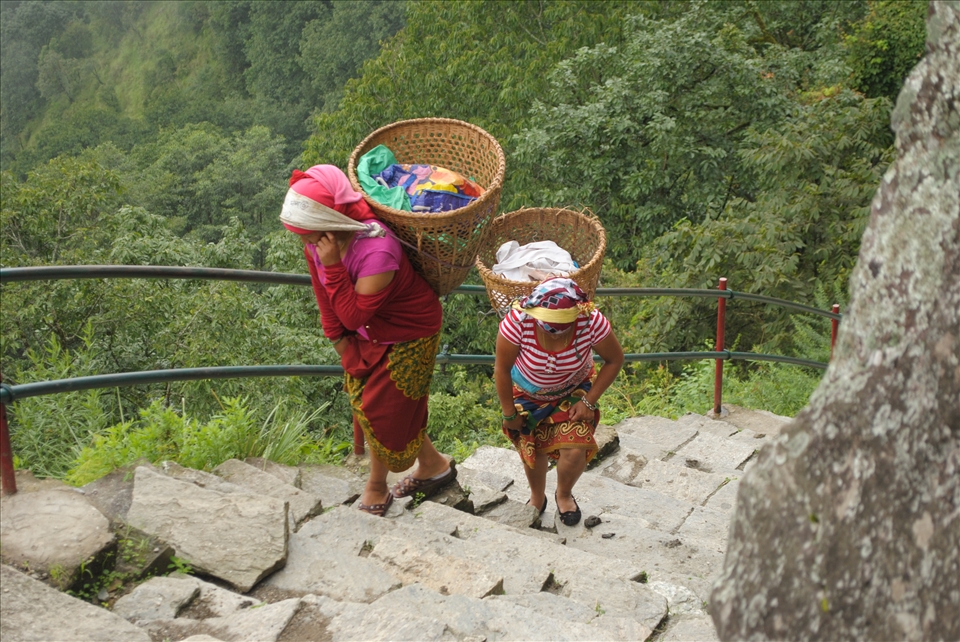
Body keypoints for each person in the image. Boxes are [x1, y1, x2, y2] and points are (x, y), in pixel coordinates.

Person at [280, 165, 456, 517]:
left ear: (330, 223)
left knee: (380, 410)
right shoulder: (319, 244)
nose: (303, 241)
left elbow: (352, 315)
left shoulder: (378, 251)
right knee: (376, 403)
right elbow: (324, 298)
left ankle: (377, 486)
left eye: (306, 233)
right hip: (368, 333)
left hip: (410, 331)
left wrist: (333, 266)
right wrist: (339, 342)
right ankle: (434, 465)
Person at [494, 277, 624, 526]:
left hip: (573, 390)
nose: (554, 331)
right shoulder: (517, 322)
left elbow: (615, 359)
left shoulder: (590, 320)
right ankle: (537, 497)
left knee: (575, 449)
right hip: (527, 394)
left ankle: (563, 494)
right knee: (533, 448)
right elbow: (502, 369)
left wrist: (588, 402)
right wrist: (509, 413)